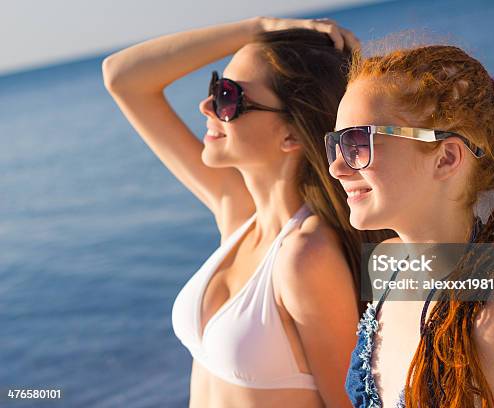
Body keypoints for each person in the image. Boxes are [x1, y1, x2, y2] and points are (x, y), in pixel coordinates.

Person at [102, 16, 393, 407]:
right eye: (215, 87)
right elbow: (122, 78)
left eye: (228, 97)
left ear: (291, 133)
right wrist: (258, 28)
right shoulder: (239, 213)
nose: (206, 105)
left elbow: (348, 402)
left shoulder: (306, 256)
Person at [326, 44, 494, 407]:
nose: (337, 167)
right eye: (336, 144)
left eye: (358, 142)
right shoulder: (388, 265)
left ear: (446, 158)